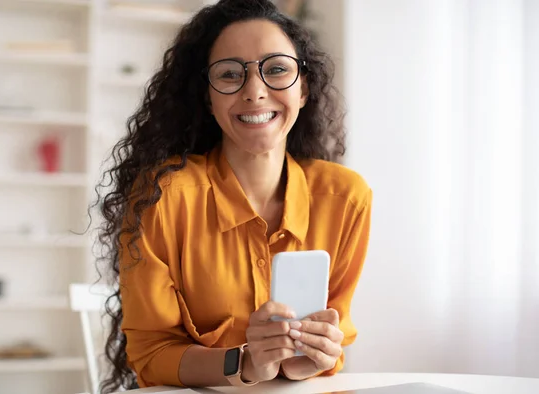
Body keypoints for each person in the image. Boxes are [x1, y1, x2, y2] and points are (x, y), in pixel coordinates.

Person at [94, 0, 372, 392]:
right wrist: (245, 362)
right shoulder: (161, 197)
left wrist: (308, 357)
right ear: (208, 98)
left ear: (304, 88)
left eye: (276, 69)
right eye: (229, 75)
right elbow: (151, 355)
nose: (255, 92)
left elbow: (331, 340)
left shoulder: (345, 198)